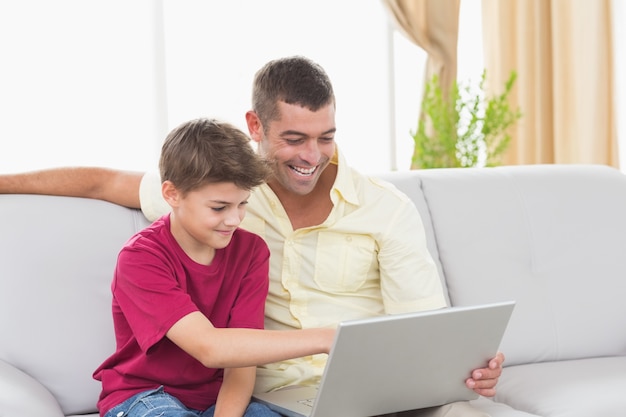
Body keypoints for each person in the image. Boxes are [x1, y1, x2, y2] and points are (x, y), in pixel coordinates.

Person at [0, 56, 504, 417]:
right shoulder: (219, 191)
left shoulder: (378, 213)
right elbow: (102, 183)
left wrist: (465, 366)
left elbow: (426, 331)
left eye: (326, 137)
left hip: (350, 392)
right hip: (249, 393)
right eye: (294, 139)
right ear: (255, 126)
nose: (312, 155)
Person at [93, 117, 334, 417]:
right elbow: (210, 348)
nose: (234, 219)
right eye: (219, 208)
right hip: (144, 396)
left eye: (243, 204)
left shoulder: (251, 252)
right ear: (172, 194)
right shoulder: (141, 258)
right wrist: (325, 338)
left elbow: (242, 362)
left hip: (214, 400)